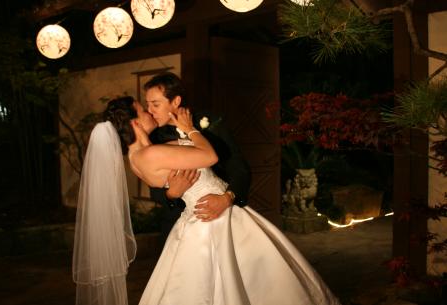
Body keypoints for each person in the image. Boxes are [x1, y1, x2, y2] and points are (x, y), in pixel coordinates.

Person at [79, 96, 341, 305]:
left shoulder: (140, 156)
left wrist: (183, 133)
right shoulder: (150, 154)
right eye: (143, 110)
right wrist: (190, 129)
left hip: (204, 216)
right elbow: (209, 157)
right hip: (211, 221)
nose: (149, 112)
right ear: (135, 123)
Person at [145, 72, 251, 238]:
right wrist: (171, 194)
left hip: (224, 217)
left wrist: (227, 198)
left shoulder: (209, 122)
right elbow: (154, 191)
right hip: (180, 226)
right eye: (147, 105)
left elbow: (238, 167)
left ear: (176, 101)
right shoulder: (154, 138)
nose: (149, 111)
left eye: (155, 104)